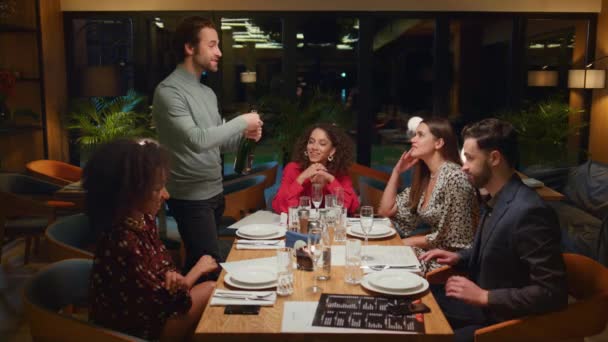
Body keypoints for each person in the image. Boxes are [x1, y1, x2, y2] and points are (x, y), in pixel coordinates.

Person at [420, 118, 568, 341]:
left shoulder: (530, 212)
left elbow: (552, 293)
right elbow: (501, 250)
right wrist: (459, 257)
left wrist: (485, 296)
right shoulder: (497, 197)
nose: (464, 166)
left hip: (501, 323)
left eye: (470, 158)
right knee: (413, 301)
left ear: (495, 158)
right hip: (478, 308)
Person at [152, 16, 262, 274]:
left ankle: (183, 305)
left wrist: (245, 135)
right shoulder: (169, 92)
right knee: (209, 266)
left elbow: (217, 143)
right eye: (212, 45)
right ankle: (188, 310)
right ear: (190, 48)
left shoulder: (207, 93)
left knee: (200, 265)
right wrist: (241, 121)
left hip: (214, 192)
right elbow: (198, 141)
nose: (219, 52)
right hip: (190, 198)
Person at [84, 139, 218, 341]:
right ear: (128, 192)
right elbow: (171, 304)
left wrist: (172, 276)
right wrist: (196, 271)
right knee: (210, 290)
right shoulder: (122, 240)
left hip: (152, 314)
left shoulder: (143, 220)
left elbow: (164, 266)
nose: (166, 194)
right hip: (132, 333)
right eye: (157, 189)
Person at [377, 117, 478, 271]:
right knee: (372, 257)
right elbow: (385, 211)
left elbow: (453, 238)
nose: (413, 140)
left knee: (379, 261)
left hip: (450, 262)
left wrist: (408, 242)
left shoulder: (454, 177)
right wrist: (396, 172)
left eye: (420, 135)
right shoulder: (428, 176)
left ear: (439, 143)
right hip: (431, 253)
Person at [272, 123, 359, 215]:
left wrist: (330, 179)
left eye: (322, 144)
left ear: (332, 151)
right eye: (311, 142)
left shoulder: (340, 173)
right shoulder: (293, 169)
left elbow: (350, 208)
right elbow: (280, 206)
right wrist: (301, 178)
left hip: (328, 227)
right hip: (301, 226)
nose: (314, 147)